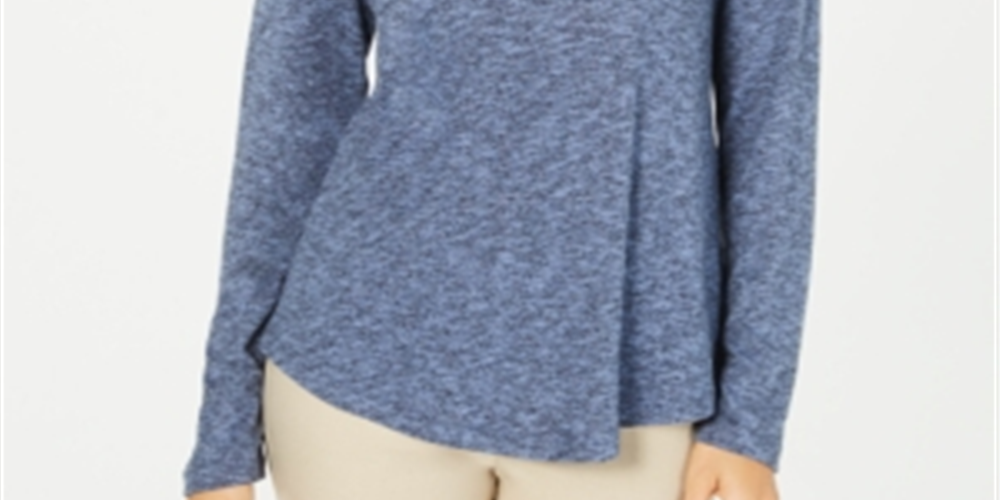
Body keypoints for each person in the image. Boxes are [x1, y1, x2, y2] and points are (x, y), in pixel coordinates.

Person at [181, 0, 821, 498]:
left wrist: (749, 425)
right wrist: (224, 435)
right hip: (358, 377)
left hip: (633, 386)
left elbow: (772, 137)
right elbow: (289, 122)